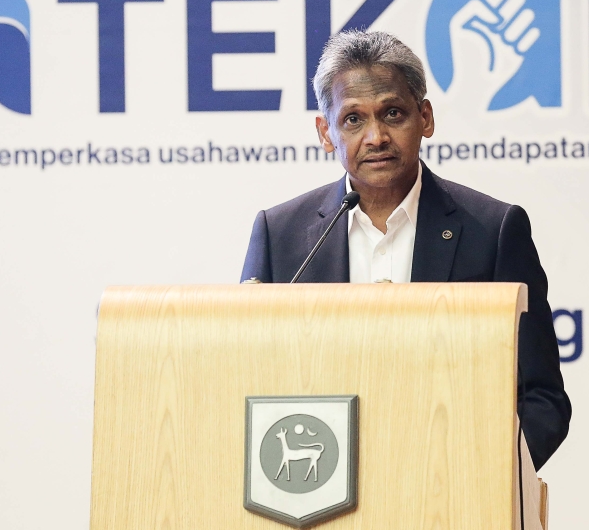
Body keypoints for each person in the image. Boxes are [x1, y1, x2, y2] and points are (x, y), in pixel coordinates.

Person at [240, 30, 570, 469]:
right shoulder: (281, 234)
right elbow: (248, 383)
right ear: (325, 132)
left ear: (425, 118)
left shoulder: (492, 229)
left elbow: (541, 397)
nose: (375, 136)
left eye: (392, 113)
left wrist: (484, 479)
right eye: (353, 119)